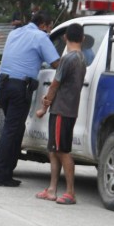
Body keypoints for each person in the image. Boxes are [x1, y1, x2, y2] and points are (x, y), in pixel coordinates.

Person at [0, 11, 60, 187]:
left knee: (14, 129)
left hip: (4, 85)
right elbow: (56, 63)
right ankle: (1, 175)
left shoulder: (15, 32)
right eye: (50, 27)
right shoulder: (40, 36)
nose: (50, 31)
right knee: (11, 130)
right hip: (19, 88)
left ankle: (7, 171)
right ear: (44, 25)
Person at [34, 23, 87, 204]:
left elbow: (55, 84)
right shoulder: (82, 58)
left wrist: (45, 105)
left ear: (65, 38)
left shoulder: (67, 59)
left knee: (62, 151)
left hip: (61, 110)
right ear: (83, 39)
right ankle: (52, 189)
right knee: (53, 150)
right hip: (69, 109)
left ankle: (70, 192)